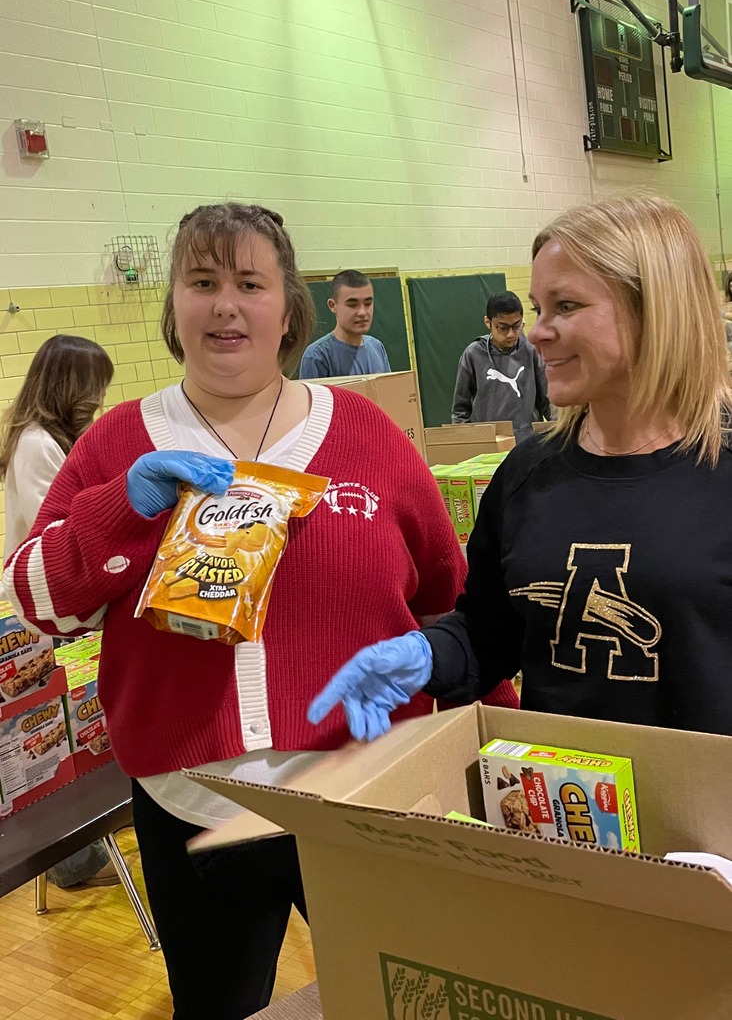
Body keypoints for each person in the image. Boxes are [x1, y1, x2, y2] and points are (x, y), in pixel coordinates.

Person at [3, 203, 517, 1019]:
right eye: (202, 282)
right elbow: (39, 603)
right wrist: (120, 510)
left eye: (250, 283)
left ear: (288, 308)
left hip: (366, 802)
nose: (226, 305)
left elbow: (454, 605)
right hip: (193, 815)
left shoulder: (366, 434)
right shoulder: (117, 445)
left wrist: (498, 747)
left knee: (408, 1001)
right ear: (174, 303)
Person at [309, 194, 732, 744]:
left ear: (655, 309)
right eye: (538, 309)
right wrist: (427, 653)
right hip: (561, 791)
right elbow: (490, 632)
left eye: (566, 306)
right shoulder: (527, 474)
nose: (536, 333)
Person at [0, 333, 117, 888]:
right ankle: (72, 863)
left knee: (79, 727)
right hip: (45, 609)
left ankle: (81, 856)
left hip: (65, 604)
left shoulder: (54, 438)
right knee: (61, 737)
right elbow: (60, 525)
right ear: (67, 384)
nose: (98, 399)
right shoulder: (36, 443)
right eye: (92, 387)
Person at [452, 291, 552, 443]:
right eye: (503, 328)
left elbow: (549, 403)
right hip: (489, 445)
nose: (511, 334)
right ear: (488, 322)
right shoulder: (473, 354)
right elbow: (460, 411)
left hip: (528, 442)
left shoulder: (532, 351)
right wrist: (468, 443)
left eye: (516, 326)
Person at [299, 269, 391, 378]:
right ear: (333, 305)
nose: (362, 312)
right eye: (352, 305)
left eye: (368, 303)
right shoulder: (317, 356)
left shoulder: (377, 347)